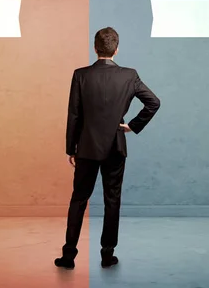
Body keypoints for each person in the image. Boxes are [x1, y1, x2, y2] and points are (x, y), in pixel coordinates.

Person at [55, 27, 161, 270]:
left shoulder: (80, 75)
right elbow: (154, 102)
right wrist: (131, 126)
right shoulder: (129, 75)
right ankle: (107, 255)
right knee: (112, 200)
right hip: (115, 146)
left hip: (87, 148)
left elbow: (74, 115)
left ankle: (69, 255)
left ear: (95, 48)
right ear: (116, 49)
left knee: (78, 200)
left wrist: (71, 148)